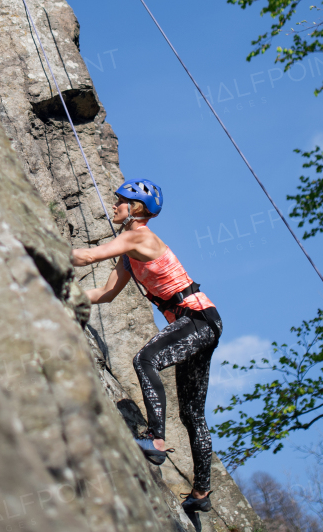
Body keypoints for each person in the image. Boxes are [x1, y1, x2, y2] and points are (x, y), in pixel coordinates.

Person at [70, 178, 222, 514]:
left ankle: (154, 437)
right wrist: (71, 297)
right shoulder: (129, 253)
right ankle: (201, 493)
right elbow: (105, 294)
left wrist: (40, 249)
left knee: (145, 359)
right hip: (202, 323)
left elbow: (86, 257)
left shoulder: (137, 235)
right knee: (192, 413)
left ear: (134, 209)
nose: (113, 206)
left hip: (196, 318)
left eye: (119, 201)